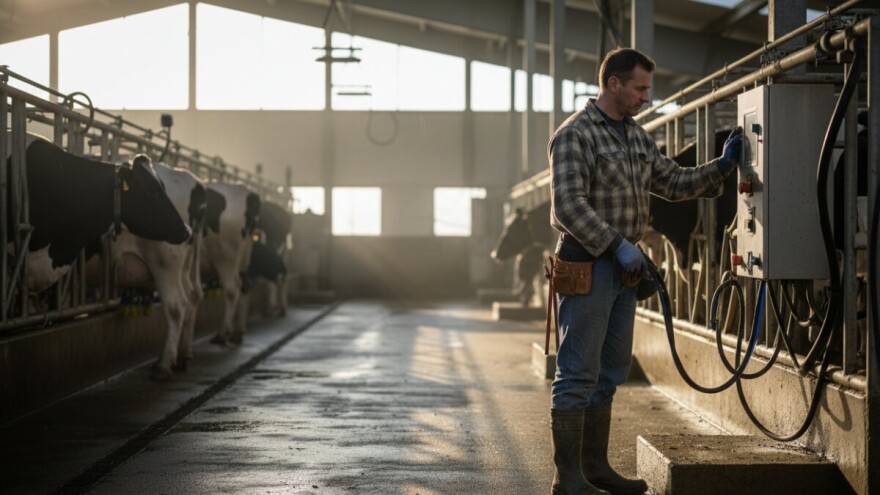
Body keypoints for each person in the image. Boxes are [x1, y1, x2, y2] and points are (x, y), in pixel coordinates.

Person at [546, 47, 742, 495]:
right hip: (587, 263)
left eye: (647, 89)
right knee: (577, 371)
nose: (646, 98)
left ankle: (595, 468)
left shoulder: (635, 136)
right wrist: (617, 245)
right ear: (612, 84)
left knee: (610, 370)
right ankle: (568, 479)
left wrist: (723, 168)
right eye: (639, 88)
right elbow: (568, 207)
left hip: (623, 270)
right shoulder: (575, 135)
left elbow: (671, 182)